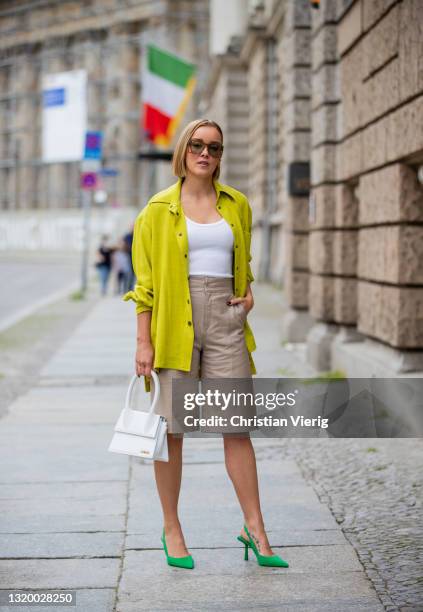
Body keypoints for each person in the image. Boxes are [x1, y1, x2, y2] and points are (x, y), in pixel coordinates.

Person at [123, 118, 288, 570]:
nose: (205, 154)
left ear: (220, 155)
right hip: (174, 322)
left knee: (236, 426)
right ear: (183, 151)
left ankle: (254, 529)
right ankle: (172, 528)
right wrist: (143, 340)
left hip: (226, 319)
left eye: (214, 147)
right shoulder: (157, 209)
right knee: (172, 432)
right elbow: (145, 284)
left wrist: (247, 292)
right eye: (196, 145)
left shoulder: (237, 204)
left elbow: (244, 257)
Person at [122, 224, 135, 292]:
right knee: (127, 273)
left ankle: (130, 288)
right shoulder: (127, 236)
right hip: (127, 257)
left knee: (133, 274)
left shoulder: (136, 235)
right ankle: (125, 289)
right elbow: (123, 245)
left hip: (134, 257)